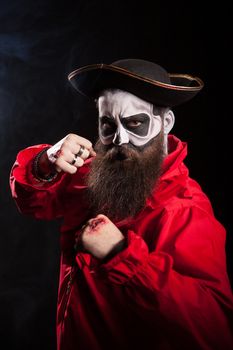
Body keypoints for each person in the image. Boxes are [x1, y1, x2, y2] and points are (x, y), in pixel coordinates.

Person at [10, 59, 233, 350]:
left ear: (165, 123)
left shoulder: (185, 209)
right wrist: (46, 161)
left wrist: (121, 255)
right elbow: (33, 203)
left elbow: (213, 329)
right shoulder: (92, 173)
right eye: (108, 125)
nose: (120, 140)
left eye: (135, 124)